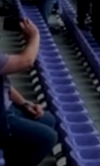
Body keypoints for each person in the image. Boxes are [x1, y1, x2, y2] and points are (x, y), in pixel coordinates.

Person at [0, 18, 59, 166]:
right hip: (1, 119)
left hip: (5, 108)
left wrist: (25, 103)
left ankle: (11, 153)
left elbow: (4, 85)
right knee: (47, 138)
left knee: (48, 119)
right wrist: (34, 37)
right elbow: (26, 61)